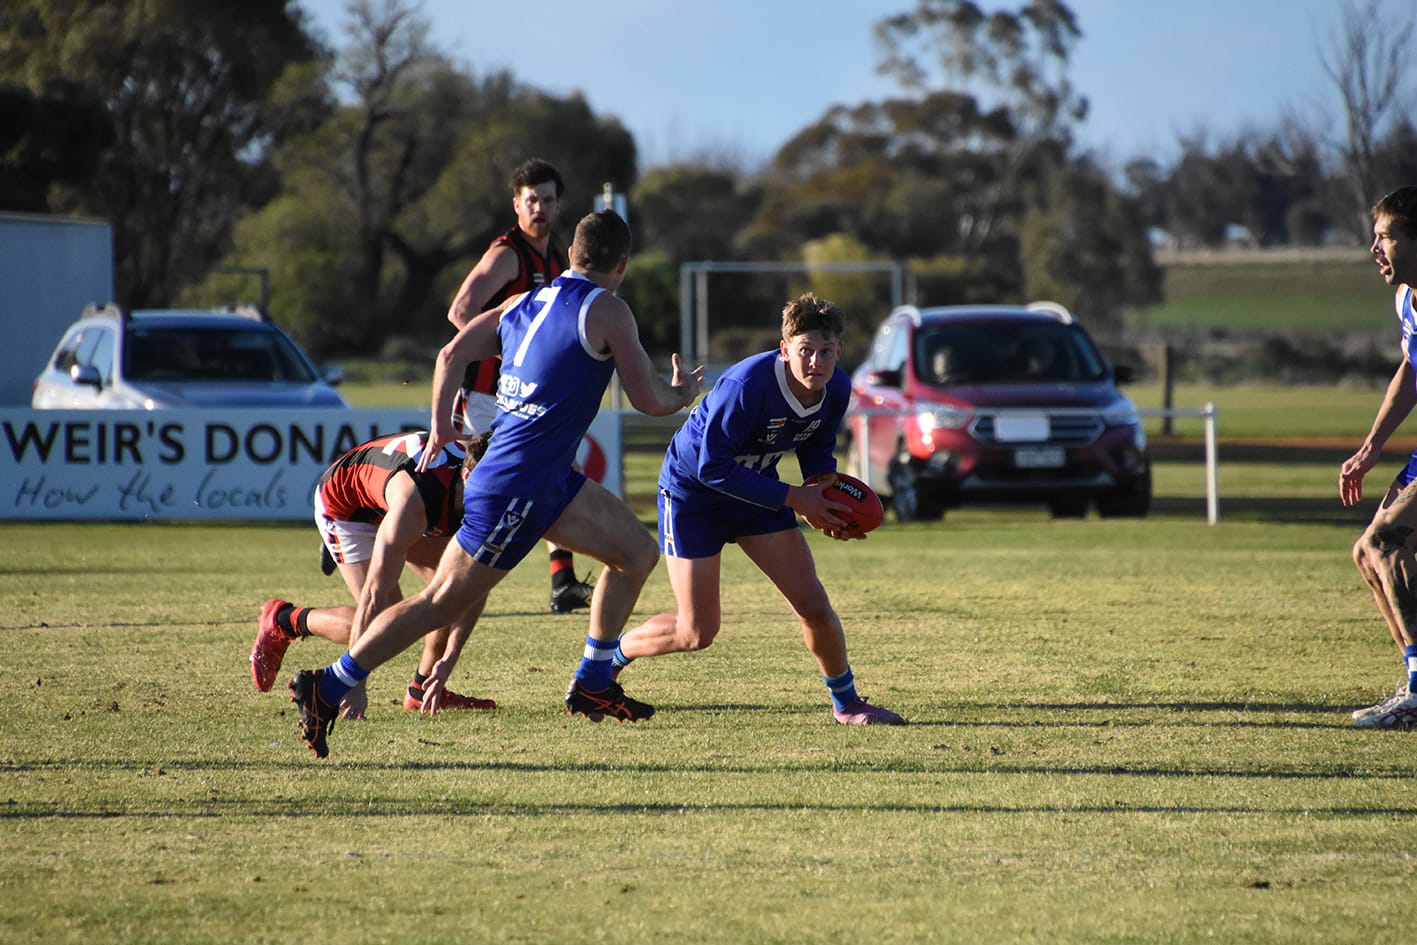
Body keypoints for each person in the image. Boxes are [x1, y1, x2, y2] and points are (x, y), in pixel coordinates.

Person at [286, 209, 704, 757]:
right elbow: (648, 400)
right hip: (515, 484)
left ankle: (593, 683)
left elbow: (450, 352)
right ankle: (330, 685)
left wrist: (440, 422)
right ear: (620, 265)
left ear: (572, 254)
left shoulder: (522, 302)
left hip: (546, 478)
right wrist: (681, 394)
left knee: (635, 553)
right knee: (440, 602)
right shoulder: (608, 310)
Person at [611, 293, 907, 726]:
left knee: (814, 604)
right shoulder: (747, 386)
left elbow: (818, 452)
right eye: (805, 350)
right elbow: (712, 467)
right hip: (693, 494)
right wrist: (795, 498)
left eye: (826, 352)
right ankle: (610, 656)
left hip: (759, 492)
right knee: (696, 633)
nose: (816, 362)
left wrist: (825, 501)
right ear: (784, 349)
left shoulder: (837, 388)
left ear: (839, 352)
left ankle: (847, 704)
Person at [250, 431, 495, 718]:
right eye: (489, 490)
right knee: (387, 620)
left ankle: (423, 690)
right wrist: (352, 680)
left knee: (459, 586)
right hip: (347, 506)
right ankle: (284, 619)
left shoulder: (483, 488)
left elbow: (474, 588)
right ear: (466, 476)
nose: (494, 502)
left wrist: (448, 662)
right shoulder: (418, 497)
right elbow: (375, 591)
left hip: (391, 498)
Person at [446, 158, 594, 615]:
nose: (541, 208)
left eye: (548, 199)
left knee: (552, 469)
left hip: (524, 399)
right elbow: (460, 311)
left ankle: (563, 580)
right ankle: (373, 525)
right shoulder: (508, 253)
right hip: (488, 397)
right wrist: (510, 352)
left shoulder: (557, 258)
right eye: (532, 200)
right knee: (467, 488)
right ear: (517, 204)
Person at [1341, 185, 1417, 729]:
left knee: (1384, 540)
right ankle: (1413, 685)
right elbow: (1411, 372)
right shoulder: (1407, 300)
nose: (1375, 248)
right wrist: (1371, 447)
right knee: (1367, 553)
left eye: (1386, 235)